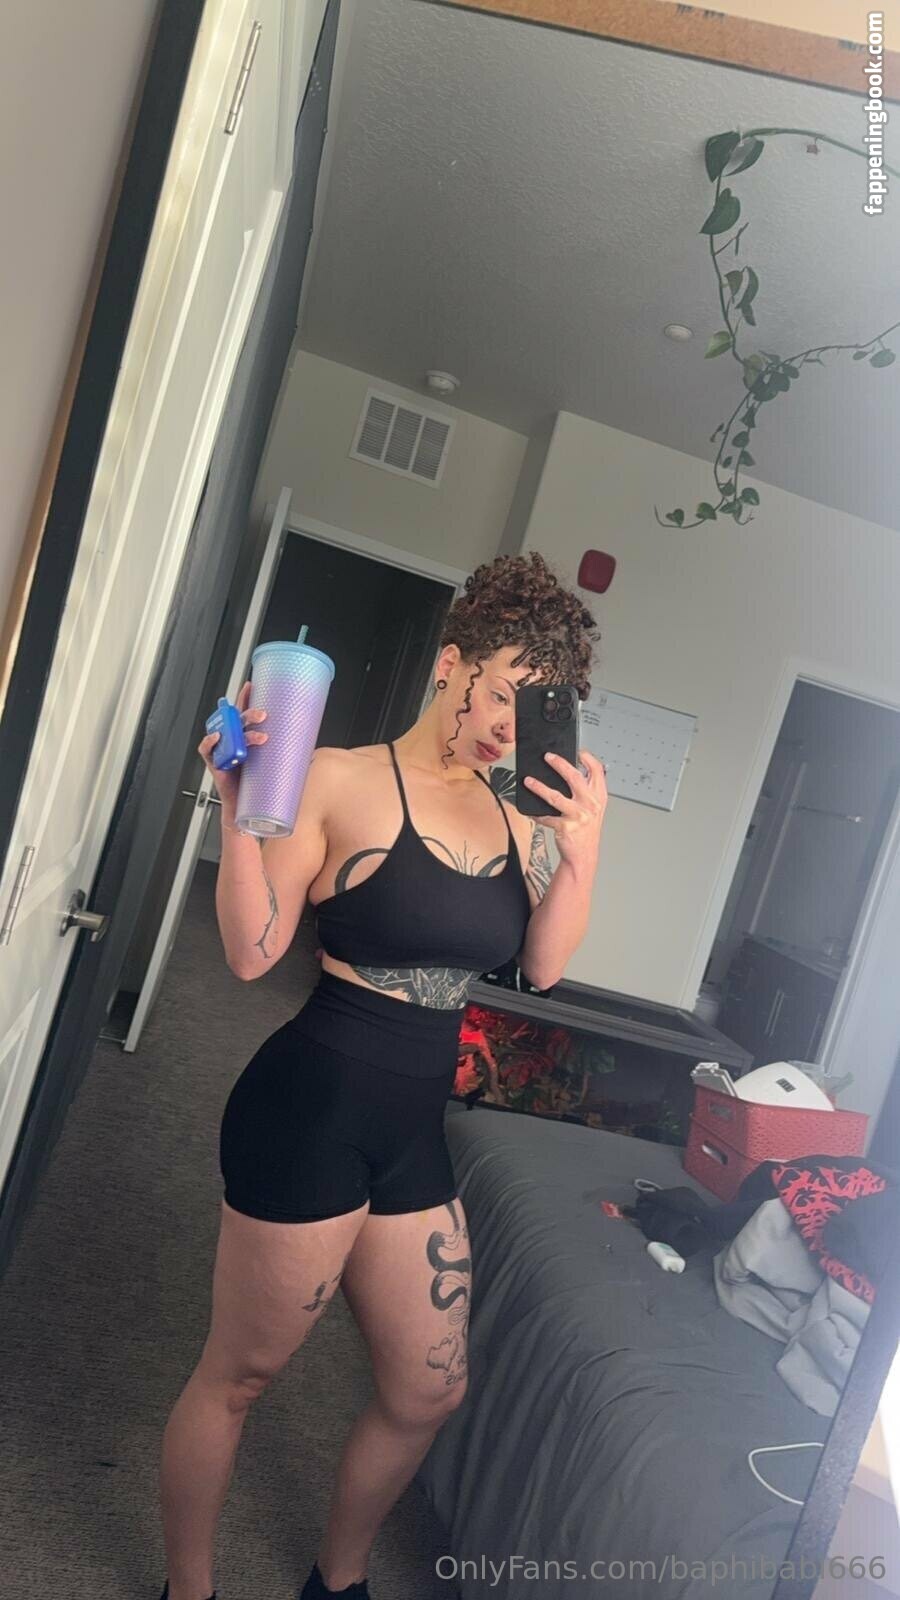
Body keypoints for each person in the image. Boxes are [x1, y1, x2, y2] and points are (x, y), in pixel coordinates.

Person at [157, 551, 607, 1600]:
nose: (511, 724)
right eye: (504, 691)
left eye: (539, 706)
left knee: (427, 1390)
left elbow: (543, 965)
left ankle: (340, 1580)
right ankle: (188, 1590)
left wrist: (583, 853)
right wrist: (234, 802)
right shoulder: (336, 777)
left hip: (412, 1128)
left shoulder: (521, 817)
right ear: (452, 664)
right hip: (310, 1107)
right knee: (240, 1376)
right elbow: (252, 953)